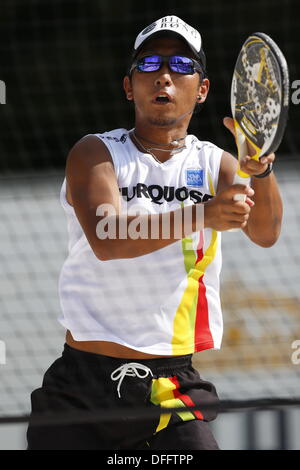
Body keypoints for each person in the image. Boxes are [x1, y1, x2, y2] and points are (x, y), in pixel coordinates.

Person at [27, 16, 282, 450]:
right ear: (129, 86)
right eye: (149, 64)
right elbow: (108, 239)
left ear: (201, 90)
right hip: (81, 386)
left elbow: (265, 233)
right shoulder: (96, 152)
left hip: (171, 385)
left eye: (181, 64)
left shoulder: (217, 163)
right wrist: (204, 214)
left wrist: (261, 169)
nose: (164, 74)